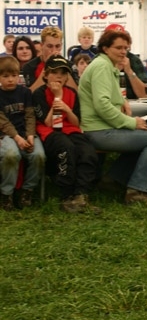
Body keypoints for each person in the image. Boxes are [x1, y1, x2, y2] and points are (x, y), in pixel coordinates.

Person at [78, 28, 147, 204]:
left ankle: (113, 179)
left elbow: (107, 96)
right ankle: (138, 190)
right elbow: (102, 105)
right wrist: (131, 122)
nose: (123, 52)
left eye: (126, 48)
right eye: (118, 47)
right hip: (98, 131)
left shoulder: (106, 65)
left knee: (146, 136)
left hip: (98, 128)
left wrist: (122, 101)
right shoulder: (102, 66)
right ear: (105, 48)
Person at [33, 55, 101, 214]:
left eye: (63, 73)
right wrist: (57, 97)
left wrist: (67, 109)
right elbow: (48, 123)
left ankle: (81, 194)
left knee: (87, 151)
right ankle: (66, 195)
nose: (59, 76)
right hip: (49, 132)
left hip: (70, 129)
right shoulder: (39, 93)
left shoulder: (71, 92)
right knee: (66, 148)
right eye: (54, 72)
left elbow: (76, 122)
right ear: (46, 75)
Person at [0, 56, 46, 211]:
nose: (10, 79)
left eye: (13, 75)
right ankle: (7, 193)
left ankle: (27, 191)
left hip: (27, 132)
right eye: (5, 76)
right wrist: (18, 138)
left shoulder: (25, 92)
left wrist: (30, 136)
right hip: (6, 135)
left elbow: (30, 116)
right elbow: (3, 123)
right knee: (11, 155)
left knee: (38, 155)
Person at [23, 26, 78, 92]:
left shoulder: (70, 65)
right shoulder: (30, 66)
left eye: (57, 46)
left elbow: (76, 92)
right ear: (42, 45)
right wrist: (48, 65)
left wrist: (63, 67)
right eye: (50, 46)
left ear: (61, 45)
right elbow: (30, 93)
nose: (54, 50)